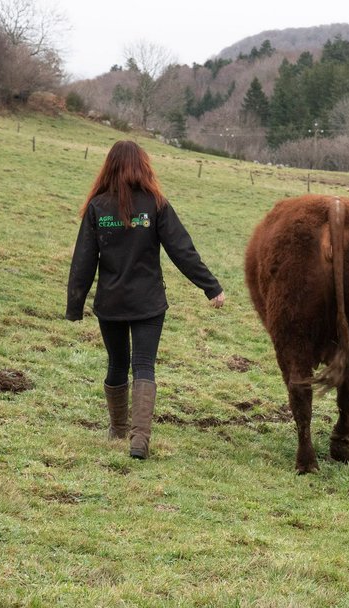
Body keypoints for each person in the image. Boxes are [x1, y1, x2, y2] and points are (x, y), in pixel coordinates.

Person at [67, 140, 225, 460]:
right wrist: (211, 287)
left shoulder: (98, 206)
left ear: (109, 166)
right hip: (149, 304)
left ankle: (118, 429)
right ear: (143, 166)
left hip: (110, 303)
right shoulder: (156, 204)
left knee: (117, 363)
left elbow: (83, 260)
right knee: (143, 366)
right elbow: (183, 250)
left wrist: (75, 305)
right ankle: (139, 440)